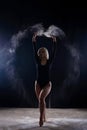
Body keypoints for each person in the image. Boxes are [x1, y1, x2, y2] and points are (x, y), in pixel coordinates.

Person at [32, 33, 57, 127]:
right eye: (40, 51)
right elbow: (34, 50)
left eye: (43, 51)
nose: (42, 53)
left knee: (42, 98)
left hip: (47, 84)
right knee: (41, 101)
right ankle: (44, 117)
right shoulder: (37, 60)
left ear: (46, 53)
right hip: (38, 83)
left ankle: (40, 118)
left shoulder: (49, 61)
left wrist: (54, 42)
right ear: (39, 54)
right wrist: (34, 41)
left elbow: (54, 52)